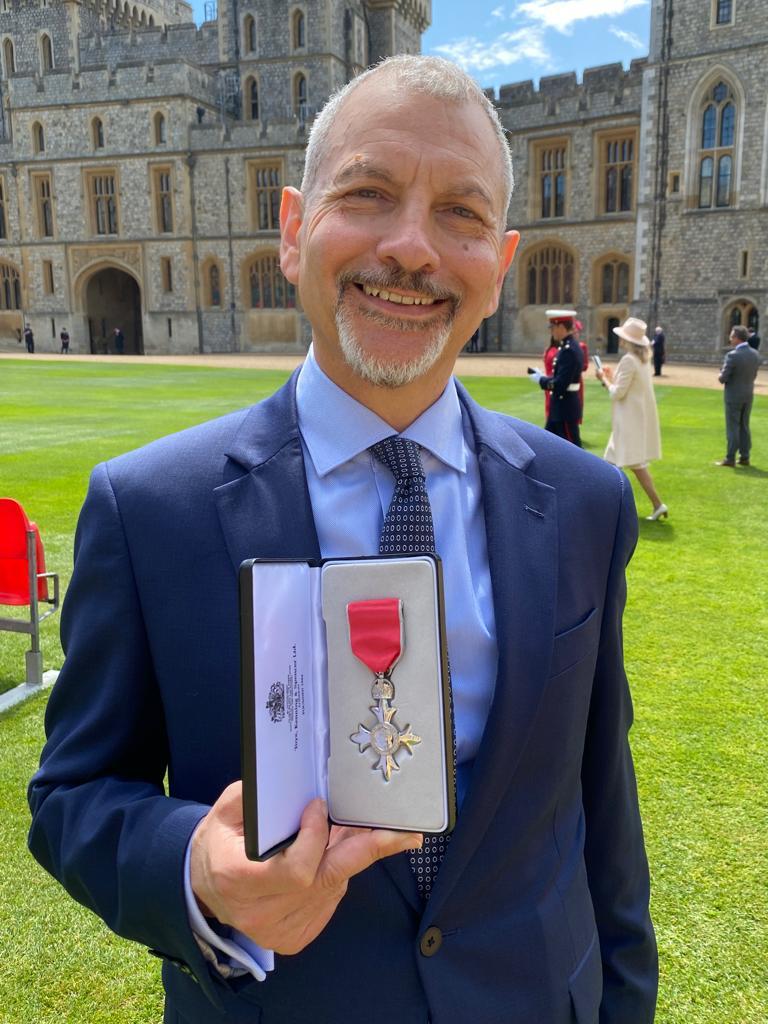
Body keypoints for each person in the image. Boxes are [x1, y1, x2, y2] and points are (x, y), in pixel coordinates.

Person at [28, 56, 657, 1024]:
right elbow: (72, 793)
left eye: (462, 213)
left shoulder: (583, 500)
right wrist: (196, 866)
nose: (411, 247)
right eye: (367, 194)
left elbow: (600, 800)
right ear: (292, 230)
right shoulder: (150, 506)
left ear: (501, 259)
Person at [595, 317, 667, 521]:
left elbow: (617, 393)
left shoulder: (629, 360)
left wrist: (604, 379)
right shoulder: (641, 360)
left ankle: (653, 504)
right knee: (615, 464)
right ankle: (651, 505)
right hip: (631, 421)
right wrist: (610, 376)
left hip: (627, 423)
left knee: (630, 465)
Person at [529, 309, 584, 446]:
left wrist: (541, 380)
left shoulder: (569, 350)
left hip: (564, 409)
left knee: (573, 452)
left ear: (560, 327)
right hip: (559, 408)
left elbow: (560, 384)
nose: (551, 331)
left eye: (553, 327)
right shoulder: (566, 347)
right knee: (547, 446)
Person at [716, 324, 761, 466]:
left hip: (733, 395)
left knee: (733, 427)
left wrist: (720, 372)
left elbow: (723, 378)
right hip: (748, 393)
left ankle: (730, 458)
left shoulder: (732, 355)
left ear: (737, 338)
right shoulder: (755, 354)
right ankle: (745, 456)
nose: (730, 339)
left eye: (731, 336)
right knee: (744, 426)